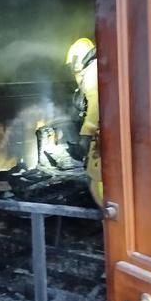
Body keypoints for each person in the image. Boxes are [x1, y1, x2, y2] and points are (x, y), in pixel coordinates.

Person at [65, 37, 102, 206]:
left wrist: (86, 134)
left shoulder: (91, 73)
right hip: (100, 136)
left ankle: (109, 219)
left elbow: (95, 103)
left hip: (99, 137)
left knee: (97, 178)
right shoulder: (96, 69)